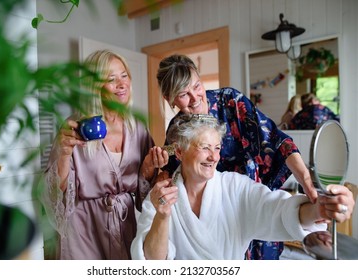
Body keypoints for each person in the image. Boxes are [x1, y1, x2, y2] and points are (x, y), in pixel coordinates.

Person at [155, 54, 318, 260]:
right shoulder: (176, 130)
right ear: (169, 98)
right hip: (214, 214)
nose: (195, 98)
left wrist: (306, 180)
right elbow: (171, 174)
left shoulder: (229, 101)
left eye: (197, 86)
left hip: (246, 198)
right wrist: (157, 170)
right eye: (183, 94)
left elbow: (276, 139)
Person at [131, 114, 355, 260]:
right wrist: (162, 216)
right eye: (205, 147)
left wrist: (320, 209)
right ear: (179, 152)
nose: (213, 156)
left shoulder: (234, 188)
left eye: (217, 148)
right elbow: (151, 263)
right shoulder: (160, 197)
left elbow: (278, 210)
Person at [39, 49, 168, 260]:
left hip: (124, 228)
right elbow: (54, 194)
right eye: (111, 78)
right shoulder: (76, 128)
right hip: (83, 230)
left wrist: (148, 168)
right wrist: (63, 154)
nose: (121, 84)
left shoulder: (137, 128)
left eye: (124, 75)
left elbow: (145, 191)